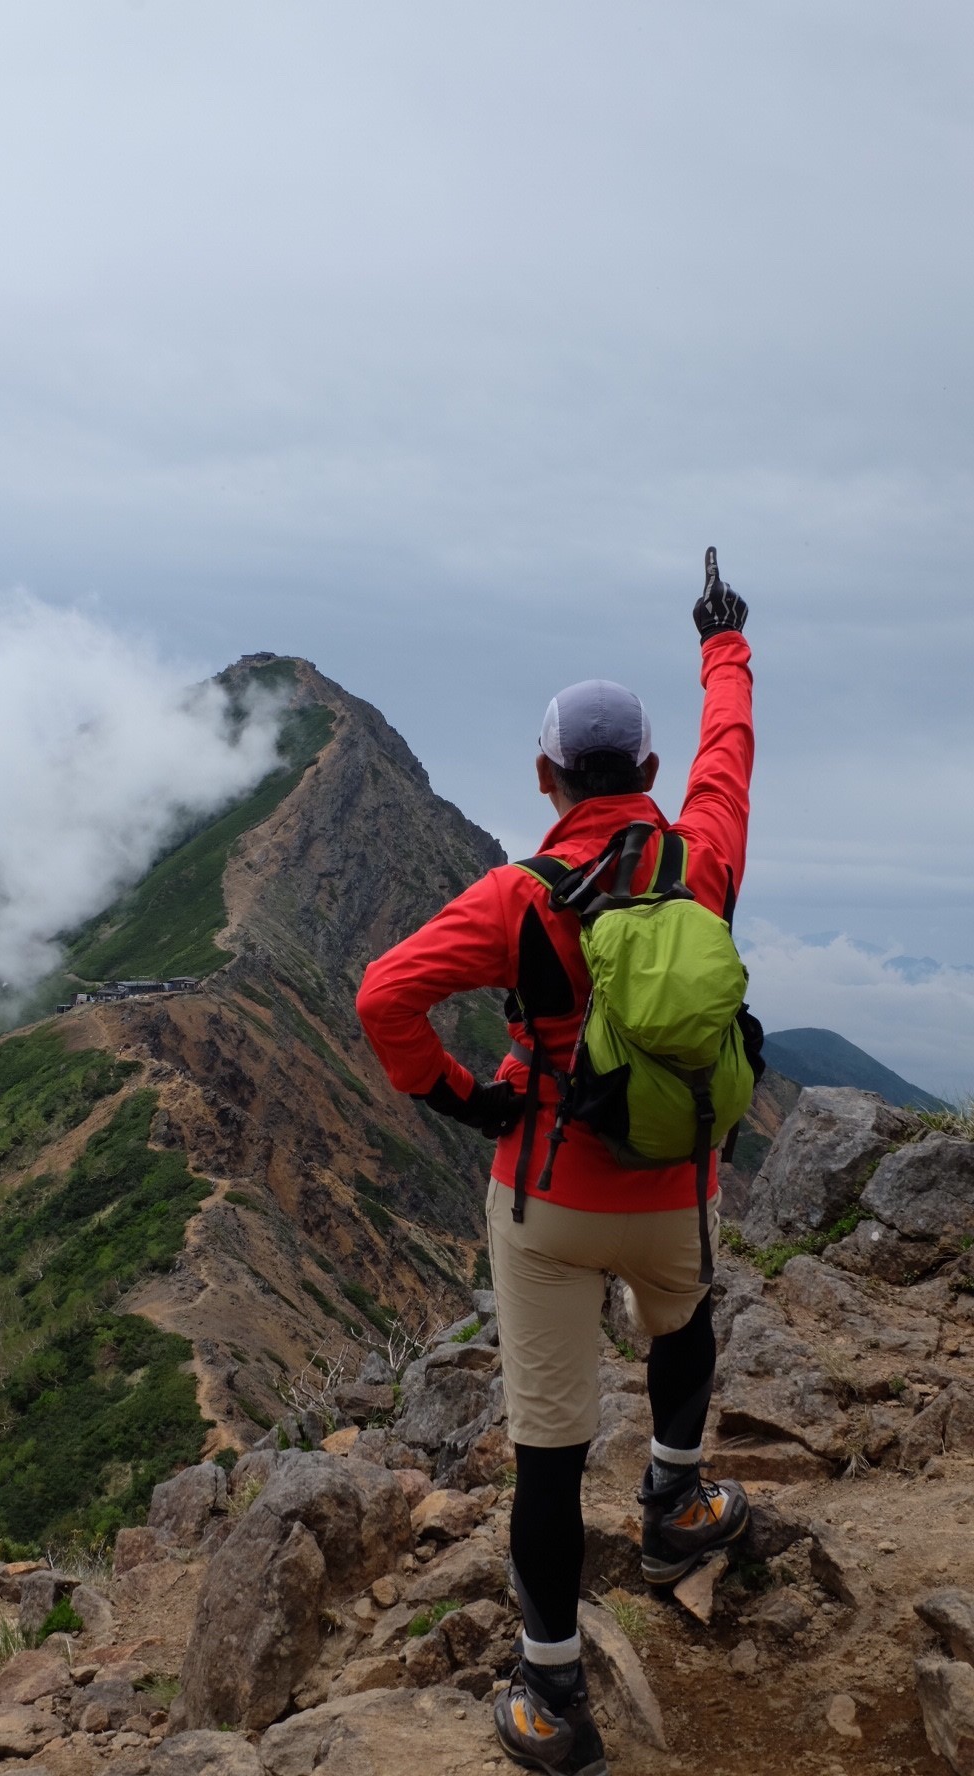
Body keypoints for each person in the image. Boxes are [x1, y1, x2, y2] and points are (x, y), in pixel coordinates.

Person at [355, 550, 755, 1775]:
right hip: (677, 1189)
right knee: (681, 1329)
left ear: (542, 777)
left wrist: (471, 1103)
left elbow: (384, 998)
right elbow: (727, 751)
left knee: (548, 1448)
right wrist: (719, 640)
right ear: (644, 772)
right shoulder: (701, 860)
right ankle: (677, 1511)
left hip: (548, 1198)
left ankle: (547, 1698)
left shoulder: (517, 897)